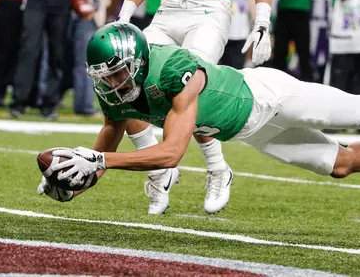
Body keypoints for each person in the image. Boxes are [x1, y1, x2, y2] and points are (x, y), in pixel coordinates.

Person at [37, 22, 360, 205]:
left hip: (270, 97)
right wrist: (78, 181)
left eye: (118, 73)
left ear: (138, 63)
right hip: (251, 132)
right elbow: (110, 136)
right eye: (103, 76)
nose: (111, 83)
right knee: (342, 165)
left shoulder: (173, 69)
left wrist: (99, 161)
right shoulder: (116, 89)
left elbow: (171, 153)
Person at [106, 0, 273, 215]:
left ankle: (218, 168)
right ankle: (159, 172)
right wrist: (124, 15)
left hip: (209, 11)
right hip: (167, 10)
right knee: (131, 81)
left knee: (188, 84)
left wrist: (263, 22)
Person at [9, 0, 77, 119]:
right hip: (36, 1)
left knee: (57, 54)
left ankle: (50, 104)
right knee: (29, 50)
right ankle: (19, 101)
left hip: (61, 1)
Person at [273, 0, 316, 82]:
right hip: (286, 10)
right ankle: (277, 83)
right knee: (281, 52)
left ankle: (307, 83)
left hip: (300, 11)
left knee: (303, 53)